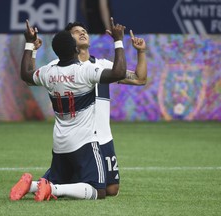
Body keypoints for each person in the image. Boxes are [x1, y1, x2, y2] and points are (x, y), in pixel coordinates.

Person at [9, 20, 147, 200]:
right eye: (76, 32)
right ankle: (50, 187)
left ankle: (40, 186)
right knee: (96, 187)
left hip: (103, 136)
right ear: (70, 41)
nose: (82, 33)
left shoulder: (101, 65)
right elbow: (29, 79)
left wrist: (141, 52)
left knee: (112, 189)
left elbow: (139, 79)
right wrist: (118, 42)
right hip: (86, 137)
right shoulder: (72, 68)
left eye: (84, 31)